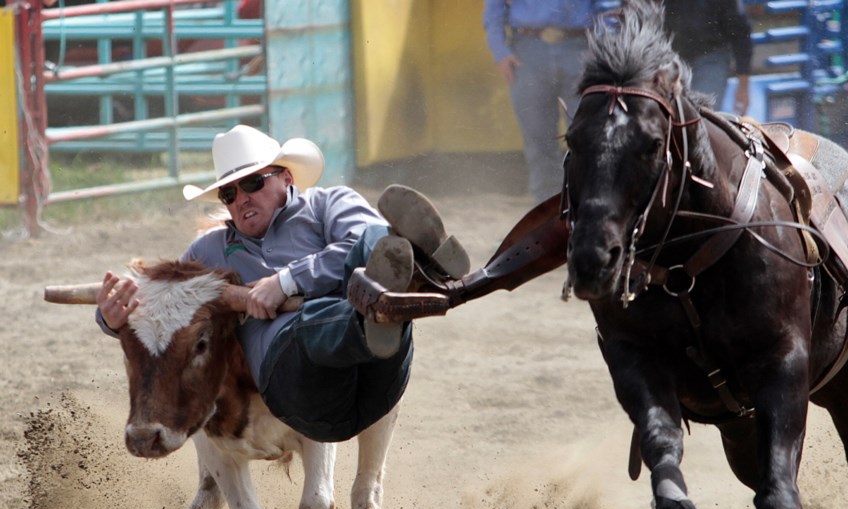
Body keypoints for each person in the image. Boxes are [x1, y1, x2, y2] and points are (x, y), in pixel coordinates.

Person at [95, 124, 470, 443]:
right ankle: (397, 292)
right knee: (310, 322)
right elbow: (166, 309)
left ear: (286, 177)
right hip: (297, 390)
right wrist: (112, 320)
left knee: (372, 241)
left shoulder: (329, 204)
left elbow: (362, 238)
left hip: (380, 379)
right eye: (229, 193)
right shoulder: (208, 251)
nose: (241, 199)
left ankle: (398, 283)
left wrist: (286, 281)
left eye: (253, 183)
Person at [483, 0, 619, 204]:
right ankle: (547, 210)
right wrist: (500, 51)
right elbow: (495, 6)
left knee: (589, 136)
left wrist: (602, 49)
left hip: (581, 49)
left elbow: (609, 9)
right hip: (528, 50)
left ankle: (587, 209)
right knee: (538, 139)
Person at [662, 0, 753, 115]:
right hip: (672, 58)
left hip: (710, 57)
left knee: (704, 113)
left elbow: (740, 30)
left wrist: (743, 86)